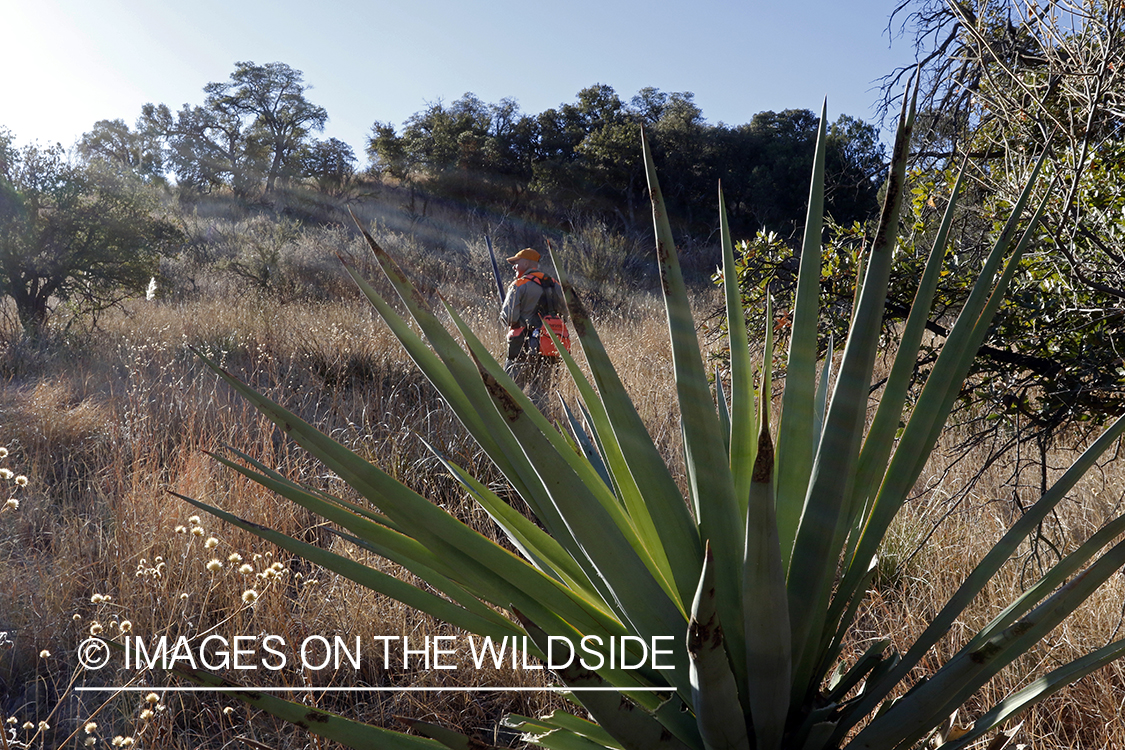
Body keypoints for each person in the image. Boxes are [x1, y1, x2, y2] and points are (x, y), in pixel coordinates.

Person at [499, 248, 567, 410]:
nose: (514, 267)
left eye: (516, 263)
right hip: (548, 348)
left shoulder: (519, 285)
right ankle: (542, 431)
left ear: (526, 263)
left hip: (522, 347)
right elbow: (564, 313)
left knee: (510, 393)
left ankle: (510, 428)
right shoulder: (555, 284)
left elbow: (509, 318)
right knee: (540, 396)